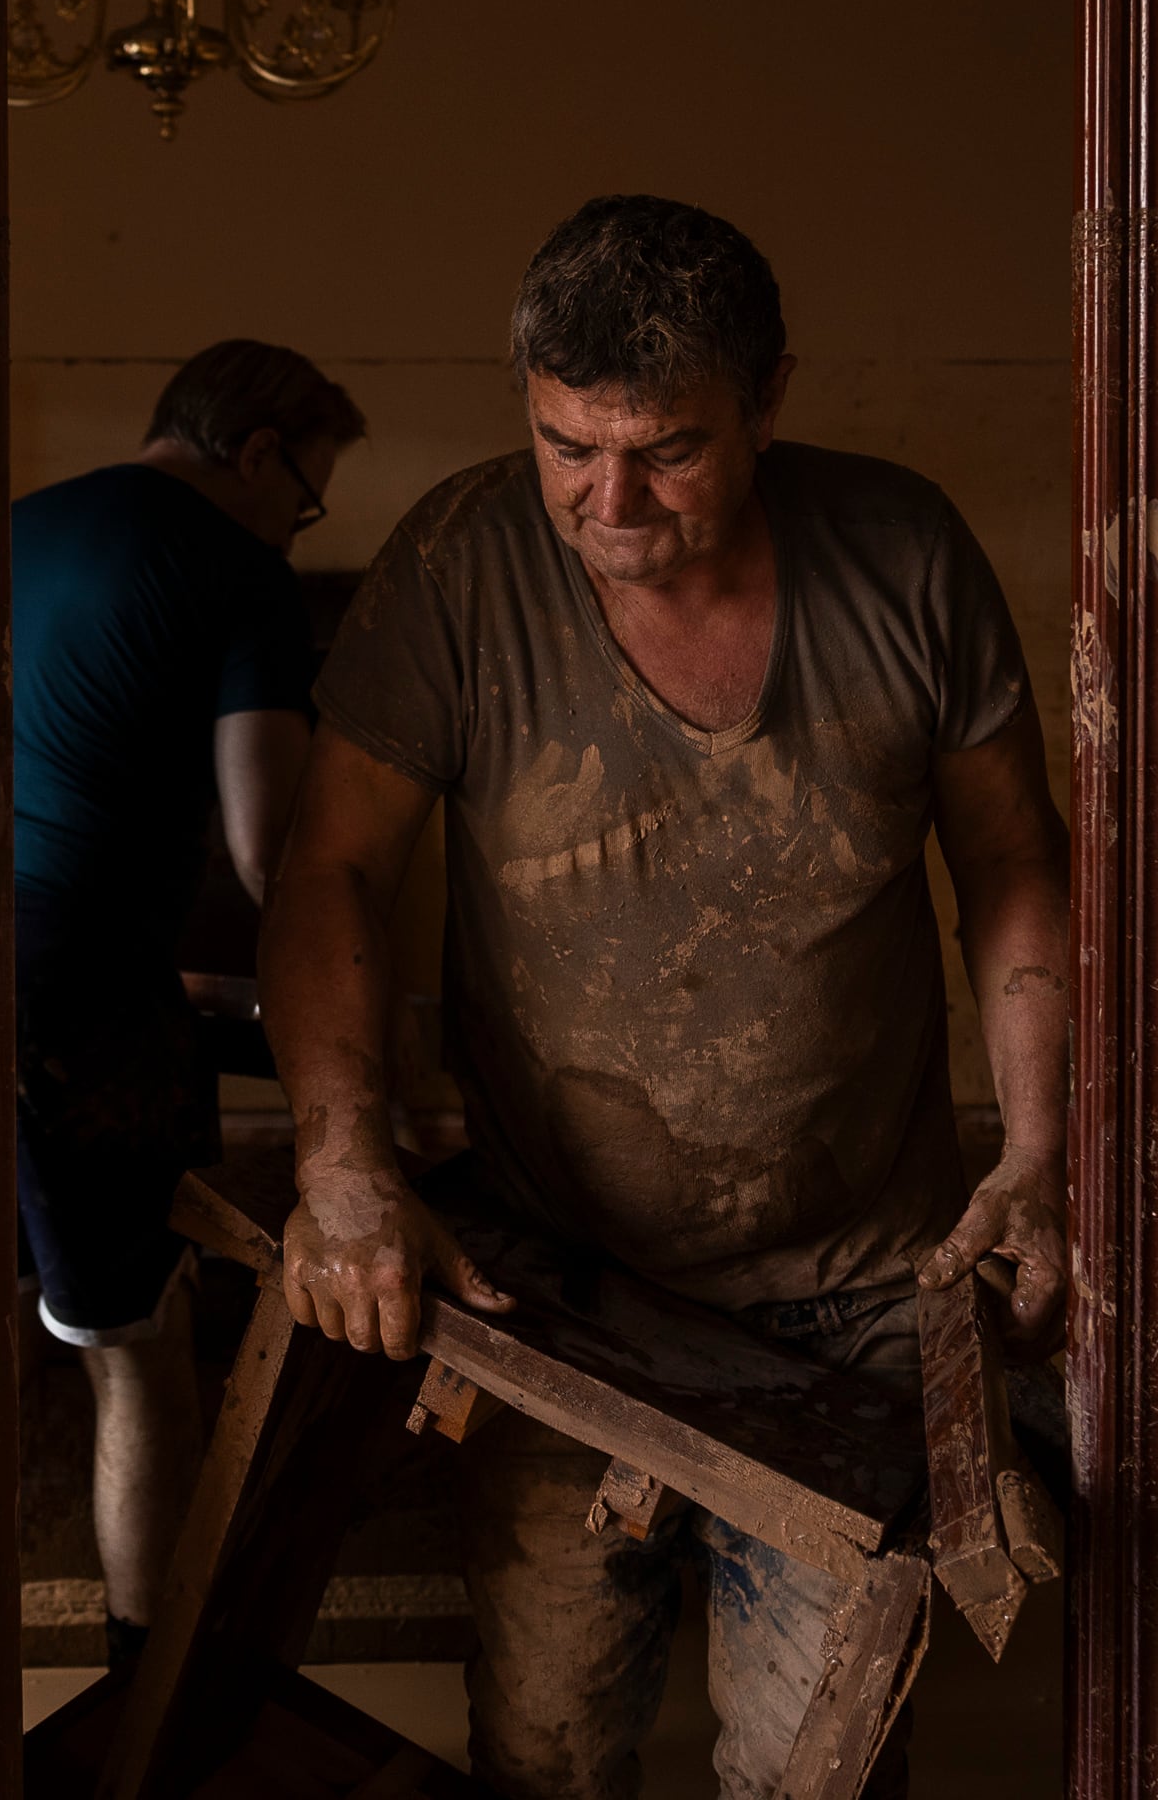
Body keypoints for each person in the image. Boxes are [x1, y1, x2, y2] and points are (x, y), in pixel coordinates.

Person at [259, 196, 1075, 1800]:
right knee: (550, 1751)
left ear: (768, 400)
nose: (608, 501)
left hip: (862, 1293)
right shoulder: (459, 563)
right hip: (561, 1297)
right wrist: (338, 1160)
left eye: (667, 452)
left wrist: (1040, 1151)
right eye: (569, 446)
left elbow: (1012, 865)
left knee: (818, 1768)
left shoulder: (902, 552)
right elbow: (330, 868)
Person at [11, 338, 366, 1678]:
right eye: (308, 495)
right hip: (89, 995)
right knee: (138, 1348)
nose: (297, 522)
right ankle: (143, 1691)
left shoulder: (11, 520)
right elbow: (278, 855)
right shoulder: (241, 573)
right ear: (260, 453)